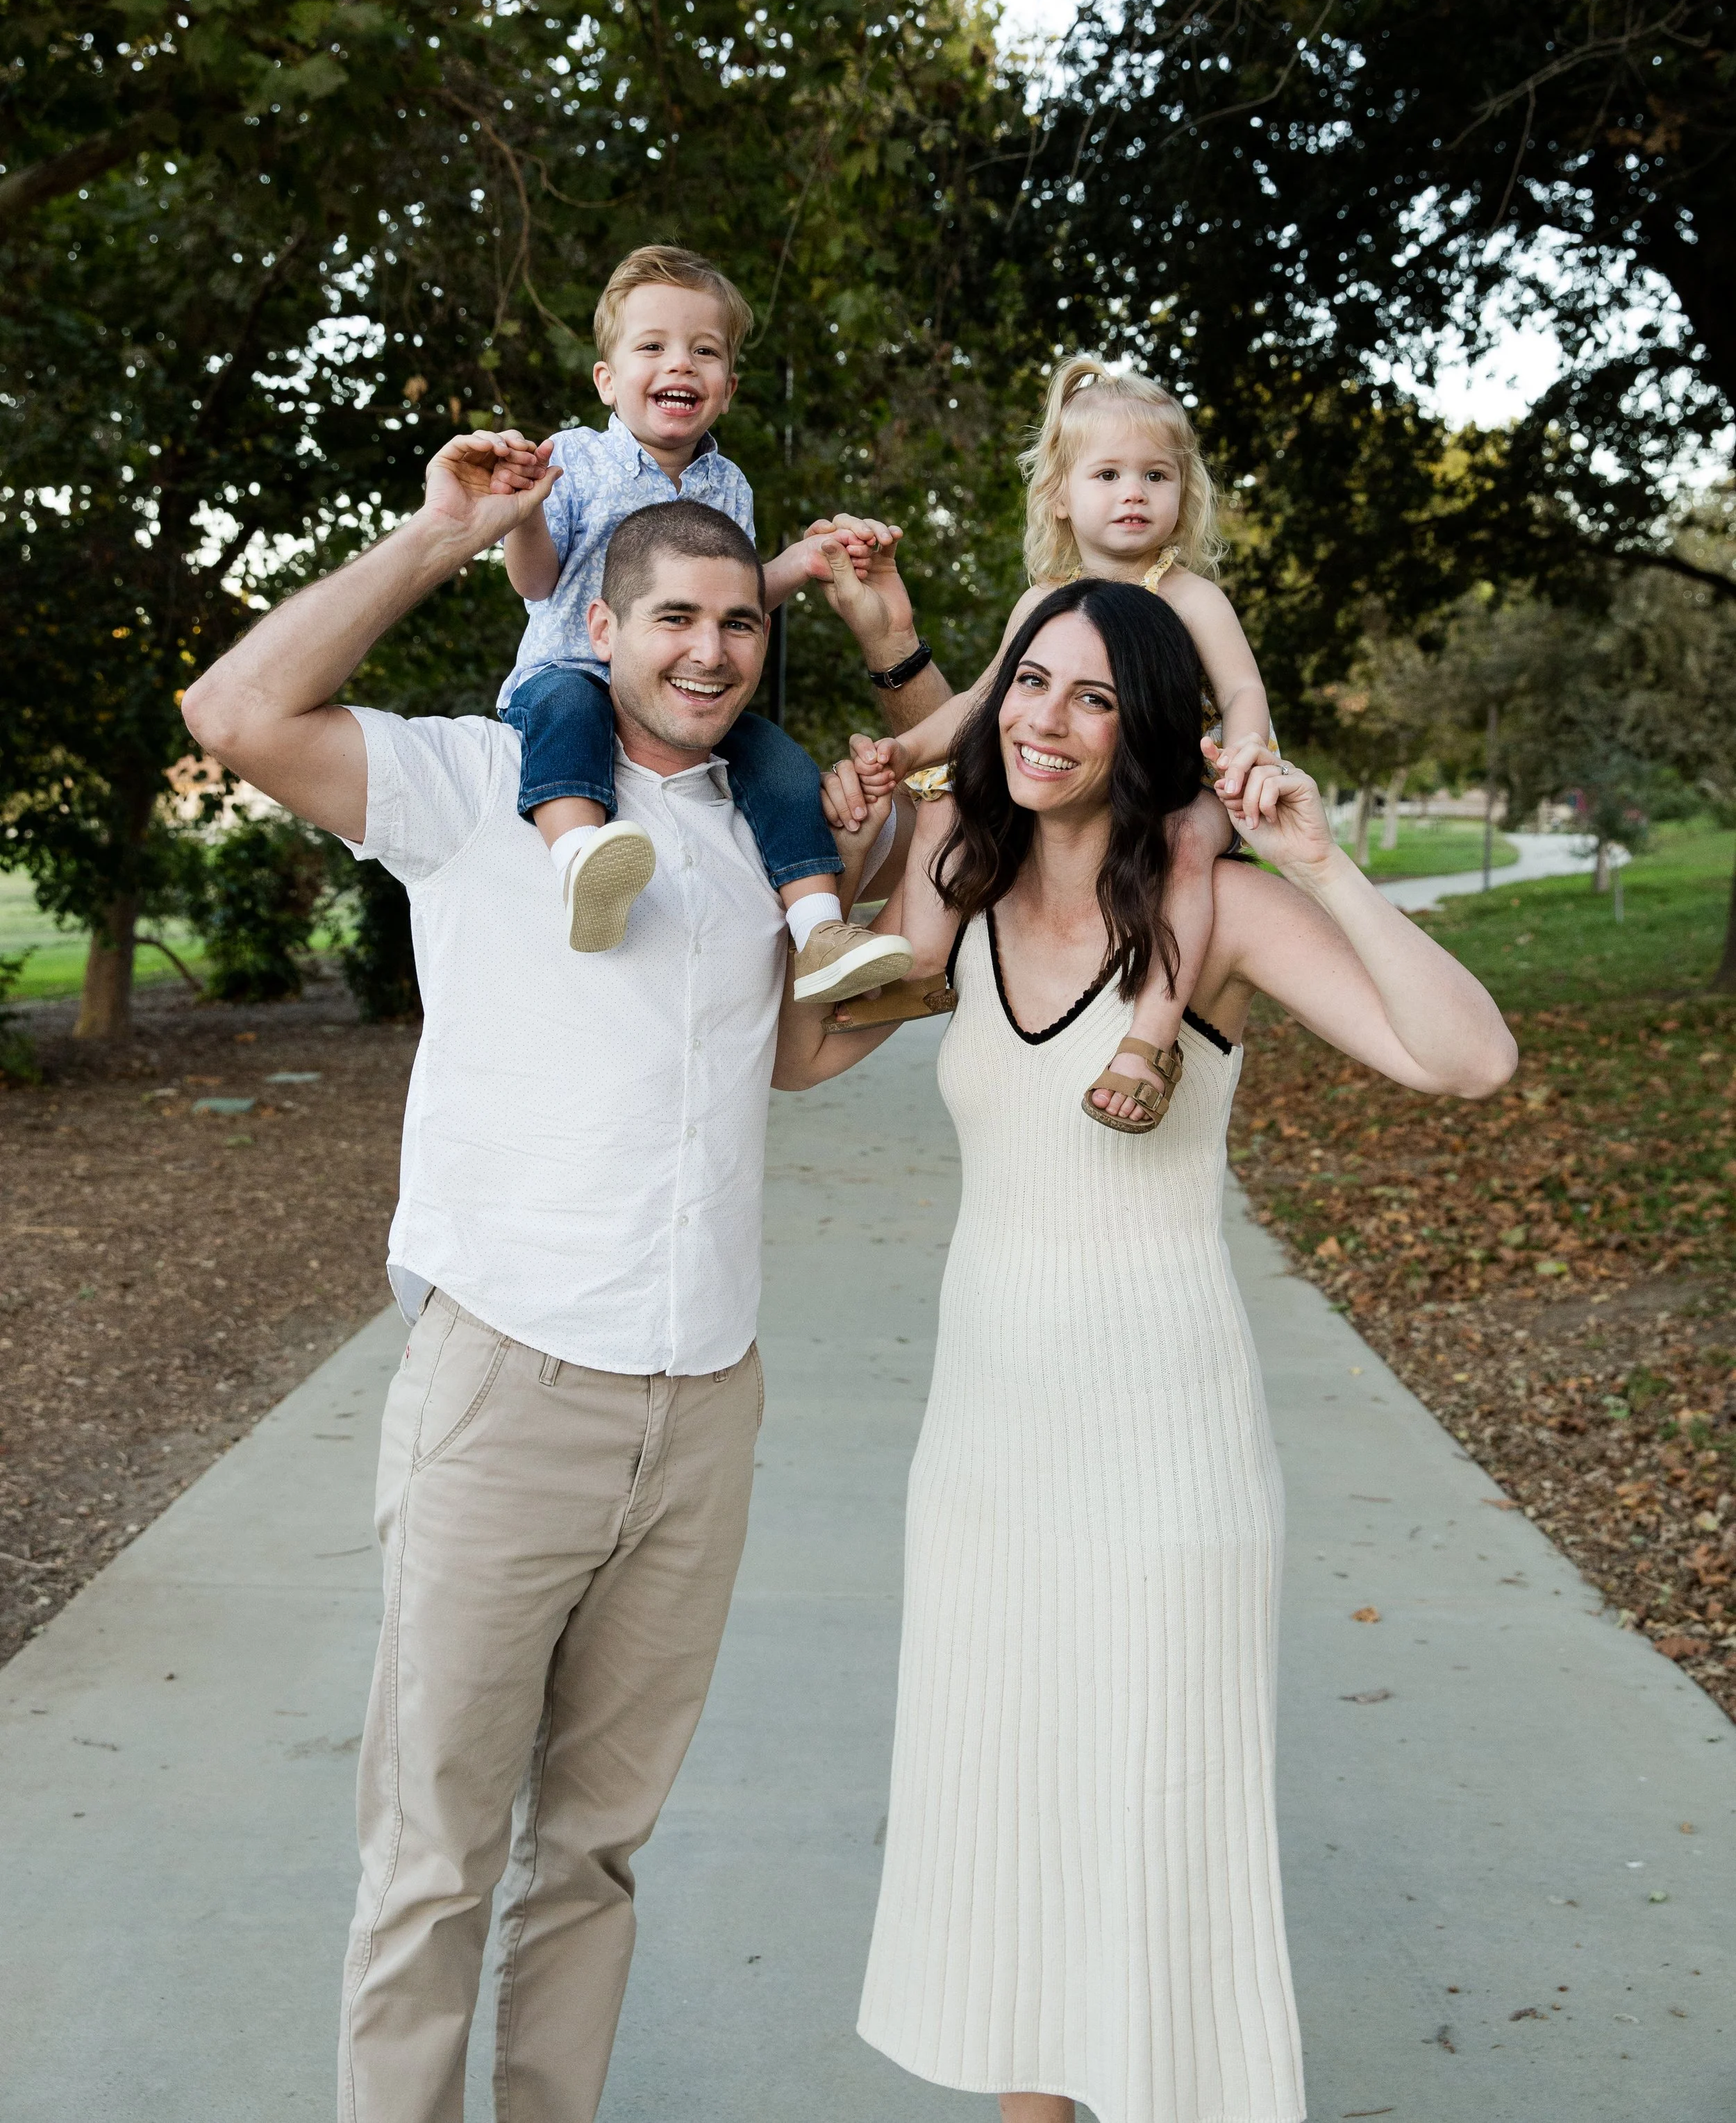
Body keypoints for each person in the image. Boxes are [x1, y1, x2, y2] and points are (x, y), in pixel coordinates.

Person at [177, 436, 944, 2123]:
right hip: (508, 1391)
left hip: (705, 1406)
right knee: (435, 1856)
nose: (712, 650)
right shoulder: (479, 779)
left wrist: (884, 872)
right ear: (601, 622)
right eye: (675, 615)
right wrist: (448, 531)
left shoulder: (766, 820)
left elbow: (796, 1056)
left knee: (594, 1851)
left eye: (742, 621)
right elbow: (235, 711)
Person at [779, 578, 1517, 2123]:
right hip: (982, 1455)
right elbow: (793, 1056)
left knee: (1154, 1839)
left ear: (1146, 731)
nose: (1045, 720)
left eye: (1093, 698)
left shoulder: (1222, 917)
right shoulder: (959, 888)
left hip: (1161, 1450)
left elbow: (1466, 1060)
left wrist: (1318, 857)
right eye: (1030, 683)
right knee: (1015, 1832)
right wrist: (836, 849)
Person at [843, 353, 1283, 1132]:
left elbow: (1243, 690)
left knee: (1185, 845)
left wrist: (1246, 749)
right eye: (1107, 475)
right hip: (1089, 794)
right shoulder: (1044, 603)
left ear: (1185, 495)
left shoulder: (1192, 597)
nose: (1134, 494)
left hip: (1184, 785)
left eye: (1156, 476)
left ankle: (1150, 1038)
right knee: (943, 800)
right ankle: (918, 963)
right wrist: (908, 753)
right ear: (1058, 497)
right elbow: (985, 702)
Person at [491, 239, 912, 1010]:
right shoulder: (576, 461)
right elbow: (537, 581)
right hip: (571, 669)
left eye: (704, 351)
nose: (680, 364)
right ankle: (581, 859)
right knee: (567, 711)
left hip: (686, 697)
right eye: (653, 346)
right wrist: (520, 516)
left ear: (728, 388)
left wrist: (804, 560)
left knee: (780, 762)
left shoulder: (728, 483)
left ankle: (818, 928)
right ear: (607, 380)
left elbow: (740, 600)